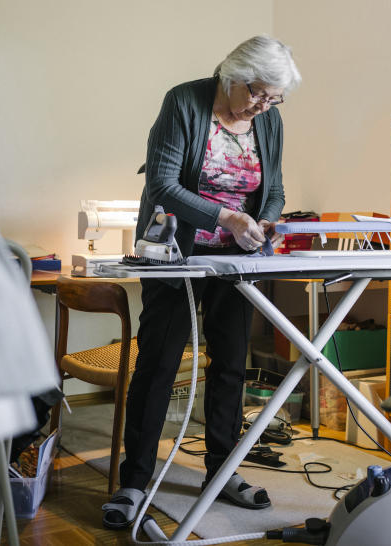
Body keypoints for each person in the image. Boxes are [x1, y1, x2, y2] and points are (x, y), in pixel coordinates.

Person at [102, 35, 301, 529]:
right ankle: (135, 480)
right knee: (160, 365)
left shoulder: (269, 119)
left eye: (274, 98)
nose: (264, 106)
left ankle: (222, 470)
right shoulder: (184, 102)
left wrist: (267, 221)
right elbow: (163, 184)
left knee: (231, 365)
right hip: (178, 255)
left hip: (237, 262)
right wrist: (227, 217)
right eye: (258, 93)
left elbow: (272, 188)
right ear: (233, 76)